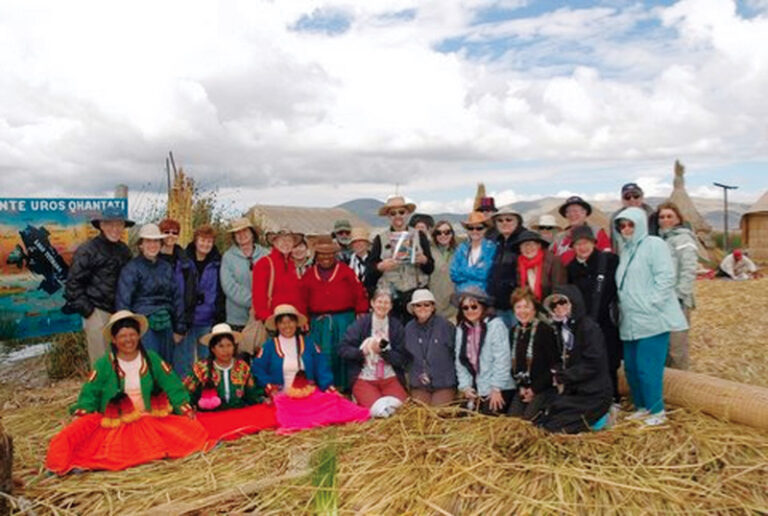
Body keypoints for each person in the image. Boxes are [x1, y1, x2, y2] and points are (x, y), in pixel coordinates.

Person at [45, 311, 207, 475]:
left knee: (193, 432)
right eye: (123, 336)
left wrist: (184, 408)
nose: (128, 340)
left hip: (150, 418)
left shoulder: (152, 359)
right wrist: (82, 412)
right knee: (78, 440)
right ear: (114, 340)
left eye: (132, 335)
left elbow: (172, 385)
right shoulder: (104, 364)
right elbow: (90, 391)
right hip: (117, 422)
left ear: (138, 336)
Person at [615, 207, 688, 426]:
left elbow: (666, 276)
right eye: (622, 225)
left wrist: (651, 303)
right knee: (631, 368)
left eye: (630, 224)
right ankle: (641, 407)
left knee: (648, 368)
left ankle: (657, 411)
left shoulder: (654, 245)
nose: (626, 229)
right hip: (630, 321)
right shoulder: (626, 250)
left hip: (652, 319)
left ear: (640, 225)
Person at [251, 304, 370, 432]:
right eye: (282, 323)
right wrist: (270, 388)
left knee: (334, 404)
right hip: (282, 395)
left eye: (290, 321)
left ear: (296, 323)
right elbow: (258, 369)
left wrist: (329, 388)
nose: (287, 326)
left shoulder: (308, 343)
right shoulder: (269, 347)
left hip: (307, 394)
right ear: (277, 325)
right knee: (278, 415)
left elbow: (321, 367)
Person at [536, 286, 614, 433]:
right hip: (576, 390)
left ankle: (603, 417)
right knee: (544, 417)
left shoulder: (588, 327)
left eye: (563, 302)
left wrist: (564, 376)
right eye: (554, 305)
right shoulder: (562, 329)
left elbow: (593, 364)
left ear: (573, 302)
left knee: (556, 427)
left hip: (594, 392)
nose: (559, 307)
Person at [64, 206, 134, 365]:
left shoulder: (124, 250)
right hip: (97, 311)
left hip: (119, 312)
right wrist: (89, 312)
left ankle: (120, 389)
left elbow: (131, 280)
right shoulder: (88, 250)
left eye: (119, 225)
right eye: (110, 224)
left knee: (121, 359)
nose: (115, 229)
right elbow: (72, 285)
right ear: (101, 225)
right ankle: (102, 390)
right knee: (101, 362)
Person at [183, 323, 277, 441]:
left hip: (237, 418)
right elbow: (187, 394)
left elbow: (251, 395)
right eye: (221, 346)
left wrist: (264, 400)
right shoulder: (202, 368)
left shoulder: (242, 367)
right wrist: (188, 409)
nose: (226, 350)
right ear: (213, 349)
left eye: (229, 345)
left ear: (234, 347)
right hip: (211, 420)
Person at [303, 235, 369, 391]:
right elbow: (302, 297)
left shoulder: (346, 271)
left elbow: (359, 293)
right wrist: (304, 318)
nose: (326, 258)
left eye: (329, 254)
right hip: (319, 323)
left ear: (335, 254)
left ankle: (346, 387)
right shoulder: (309, 274)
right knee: (322, 354)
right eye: (322, 254)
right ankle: (324, 387)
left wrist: (361, 311)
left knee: (344, 353)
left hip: (344, 320)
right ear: (316, 256)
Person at [566, 225, 622, 403]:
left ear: (593, 243)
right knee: (589, 358)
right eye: (578, 244)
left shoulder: (610, 261)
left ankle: (613, 397)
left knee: (610, 359)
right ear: (573, 247)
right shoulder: (571, 268)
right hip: (585, 323)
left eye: (586, 243)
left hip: (607, 320)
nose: (582, 247)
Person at [116, 224, 186, 364]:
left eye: (155, 241)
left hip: (166, 323)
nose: (152, 245)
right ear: (141, 245)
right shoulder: (131, 268)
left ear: (160, 244)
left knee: (166, 366)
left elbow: (177, 298)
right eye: (148, 241)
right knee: (148, 365)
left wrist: (179, 328)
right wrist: (128, 331)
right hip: (143, 325)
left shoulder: (166, 267)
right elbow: (123, 302)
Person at [339, 289, 410, 414]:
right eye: (379, 301)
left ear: (391, 306)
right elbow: (343, 349)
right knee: (378, 411)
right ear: (372, 303)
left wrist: (383, 352)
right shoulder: (360, 324)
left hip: (389, 376)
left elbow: (402, 357)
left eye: (386, 303)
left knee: (401, 409)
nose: (382, 305)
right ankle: (360, 396)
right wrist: (364, 351)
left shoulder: (396, 326)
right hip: (365, 377)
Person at [369, 196, 434, 321]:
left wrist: (424, 261)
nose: (397, 216)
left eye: (401, 212)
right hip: (392, 298)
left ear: (407, 214)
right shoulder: (380, 239)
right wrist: (380, 267)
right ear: (388, 216)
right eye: (393, 213)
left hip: (415, 297)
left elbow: (430, 268)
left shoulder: (419, 236)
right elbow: (370, 271)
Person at [453, 287, 514, 415]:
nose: (470, 310)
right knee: (461, 418)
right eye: (465, 308)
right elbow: (460, 361)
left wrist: (496, 388)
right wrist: (465, 387)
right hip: (476, 388)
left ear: (482, 306)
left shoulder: (496, 325)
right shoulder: (461, 329)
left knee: (488, 419)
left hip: (499, 387)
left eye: (474, 306)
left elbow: (502, 360)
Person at [175, 224, 226, 377]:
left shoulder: (217, 262)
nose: (205, 244)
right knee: (184, 362)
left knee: (207, 361)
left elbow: (220, 291)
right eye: (202, 240)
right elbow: (178, 291)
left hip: (207, 319)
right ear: (196, 240)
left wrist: (218, 316)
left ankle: (206, 392)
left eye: (209, 241)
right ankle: (185, 394)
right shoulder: (184, 261)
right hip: (187, 319)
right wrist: (179, 321)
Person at [506, 288, 559, 420]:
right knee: (511, 422)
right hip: (523, 386)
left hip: (542, 387)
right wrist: (521, 387)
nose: (522, 311)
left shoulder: (545, 330)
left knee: (528, 421)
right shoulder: (514, 332)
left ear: (534, 309)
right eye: (518, 307)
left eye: (526, 307)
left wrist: (534, 389)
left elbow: (554, 365)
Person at [657, 202, 698, 370]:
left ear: (678, 219)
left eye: (669, 216)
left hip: (677, 300)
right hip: (662, 300)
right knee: (665, 346)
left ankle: (682, 387)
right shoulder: (661, 240)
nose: (665, 220)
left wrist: (680, 295)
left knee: (676, 347)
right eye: (662, 217)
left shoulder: (683, 239)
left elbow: (689, 269)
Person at [404, 289, 457, 406]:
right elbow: (406, 357)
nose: (422, 308)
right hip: (419, 383)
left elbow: (455, 354)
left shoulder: (445, 326)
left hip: (444, 383)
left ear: (433, 307)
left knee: (437, 414)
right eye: (418, 305)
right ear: (413, 308)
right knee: (421, 415)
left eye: (426, 305)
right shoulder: (409, 328)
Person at [220, 217, 268, 331]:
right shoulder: (228, 257)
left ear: (252, 233)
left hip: (263, 317)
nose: (241, 235)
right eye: (237, 233)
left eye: (245, 231)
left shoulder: (266, 255)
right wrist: (253, 302)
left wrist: (261, 305)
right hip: (237, 319)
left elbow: (272, 282)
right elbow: (229, 286)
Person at [252, 227, 307, 324]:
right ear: (274, 242)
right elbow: (259, 297)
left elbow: (300, 297)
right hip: (273, 321)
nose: (285, 243)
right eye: (281, 240)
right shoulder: (264, 264)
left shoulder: (294, 265)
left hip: (293, 322)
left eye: (289, 240)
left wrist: (303, 319)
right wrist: (268, 320)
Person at [158, 218, 197, 344]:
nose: (170, 235)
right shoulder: (151, 260)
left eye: (174, 232)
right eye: (166, 231)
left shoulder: (186, 263)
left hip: (180, 321)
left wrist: (182, 326)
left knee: (181, 362)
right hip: (158, 320)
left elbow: (190, 295)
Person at [487, 207, 526, 328]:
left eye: (509, 219)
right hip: (499, 303)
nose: (504, 223)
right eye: (500, 220)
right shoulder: (496, 242)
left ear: (517, 222)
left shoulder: (524, 241)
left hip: (518, 304)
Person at [552, 196, 611, 266]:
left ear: (584, 213)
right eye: (568, 212)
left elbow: (607, 257)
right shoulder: (560, 237)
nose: (572, 214)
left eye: (575, 211)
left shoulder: (596, 232)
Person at [514, 230, 566, 302]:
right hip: (530, 306)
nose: (528, 248)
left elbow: (558, 288)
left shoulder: (553, 260)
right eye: (524, 245)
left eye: (532, 244)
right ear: (520, 249)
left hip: (549, 305)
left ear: (539, 246)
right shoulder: (519, 263)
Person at [450, 211, 497, 292]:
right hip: (463, 296)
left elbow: (488, 274)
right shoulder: (461, 248)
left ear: (485, 229)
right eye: (470, 228)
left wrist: (465, 272)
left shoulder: (492, 248)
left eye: (479, 228)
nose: (474, 231)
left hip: (484, 296)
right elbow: (454, 275)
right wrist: (477, 275)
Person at [611, 183, 658, 253]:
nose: (632, 199)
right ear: (622, 200)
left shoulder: (653, 216)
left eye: (636, 196)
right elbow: (615, 241)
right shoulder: (616, 218)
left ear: (642, 197)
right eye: (627, 197)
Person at [429, 221, 458, 320]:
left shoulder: (459, 252)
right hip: (434, 305)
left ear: (452, 234)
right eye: (439, 232)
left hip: (454, 307)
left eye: (447, 232)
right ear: (434, 235)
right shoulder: (429, 252)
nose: (443, 235)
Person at [347, 227, 373, 296]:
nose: (358, 244)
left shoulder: (375, 261)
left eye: (361, 241)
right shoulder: (347, 262)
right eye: (355, 242)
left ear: (367, 244)